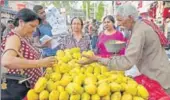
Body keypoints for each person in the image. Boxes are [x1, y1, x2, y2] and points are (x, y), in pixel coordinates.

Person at [80, 3, 170, 94]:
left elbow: (127, 61)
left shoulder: (139, 32)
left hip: (158, 79)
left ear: (130, 18)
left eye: (120, 20)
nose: (118, 24)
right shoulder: (142, 24)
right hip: (159, 73)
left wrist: (98, 59)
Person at [1, 8, 55, 100]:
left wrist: (42, 46)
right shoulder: (14, 38)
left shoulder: (23, 37)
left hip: (29, 89)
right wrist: (40, 63)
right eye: (32, 26)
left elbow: (27, 53)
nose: (34, 30)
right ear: (21, 22)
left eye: (36, 27)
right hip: (18, 90)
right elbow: (7, 61)